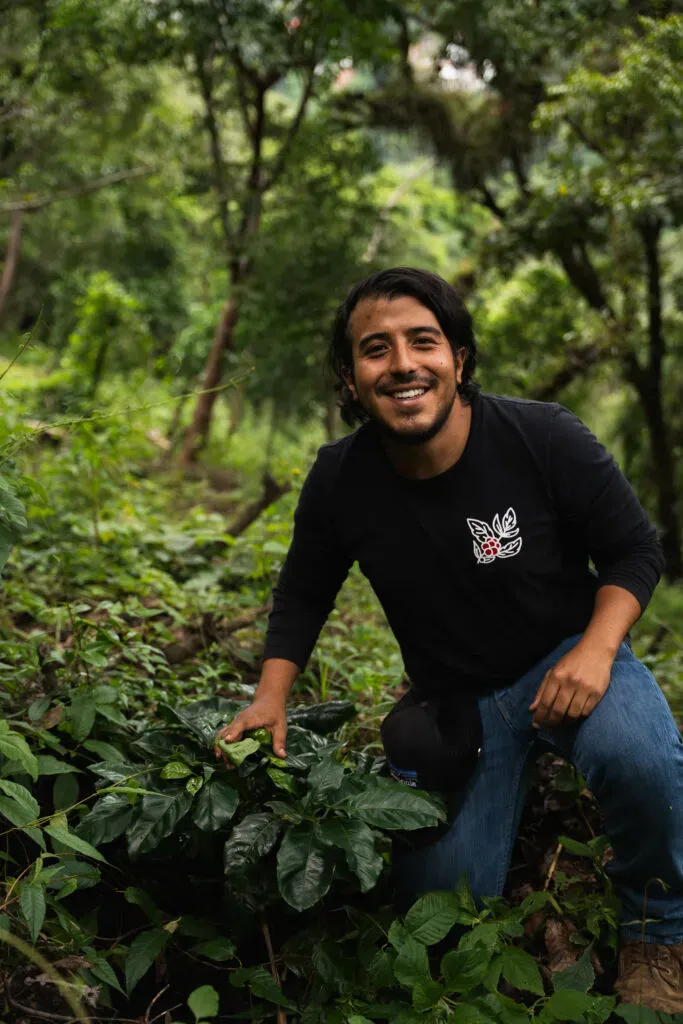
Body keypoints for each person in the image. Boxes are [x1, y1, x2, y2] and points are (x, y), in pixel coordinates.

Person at [214, 267, 683, 1012]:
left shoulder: (542, 436)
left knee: (643, 759)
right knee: (434, 920)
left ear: (458, 360)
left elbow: (634, 551)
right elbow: (303, 593)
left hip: (569, 657)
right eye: (376, 349)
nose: (402, 364)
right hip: (456, 702)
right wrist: (270, 697)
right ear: (350, 379)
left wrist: (596, 652)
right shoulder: (340, 478)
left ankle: (657, 933)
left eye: (423, 342)